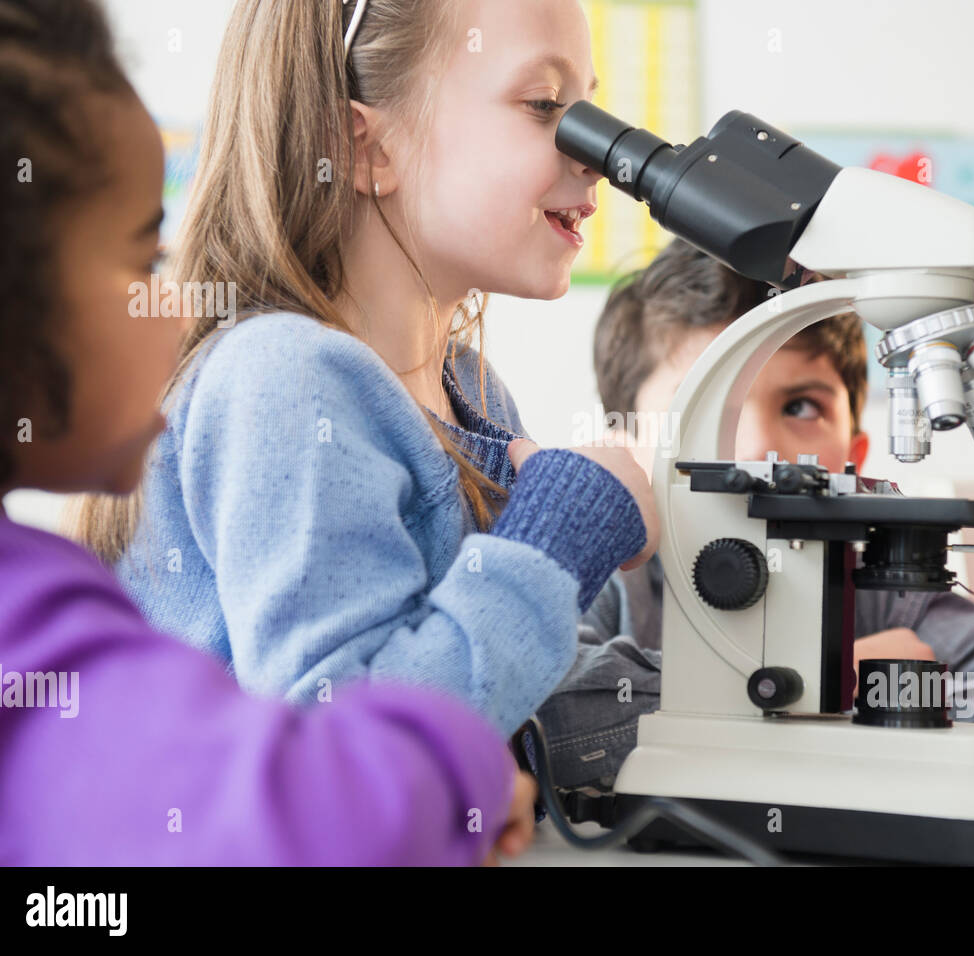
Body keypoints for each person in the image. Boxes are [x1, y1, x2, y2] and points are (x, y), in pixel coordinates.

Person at [0, 0, 534, 865]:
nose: (177, 311)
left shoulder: (472, 386)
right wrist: (462, 769)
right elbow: (333, 818)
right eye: (141, 261)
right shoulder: (11, 626)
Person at [74, 0, 658, 736]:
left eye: (590, 107)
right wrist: (565, 530)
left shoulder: (470, 390)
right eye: (545, 106)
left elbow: (514, 686)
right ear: (365, 148)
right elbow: (351, 755)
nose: (597, 152)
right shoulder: (283, 381)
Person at [535, 238, 974, 789]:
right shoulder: (612, 583)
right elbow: (544, 710)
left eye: (801, 407)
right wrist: (829, 685)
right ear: (628, 457)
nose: (761, 446)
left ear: (855, 459)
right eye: (706, 408)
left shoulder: (890, 596)